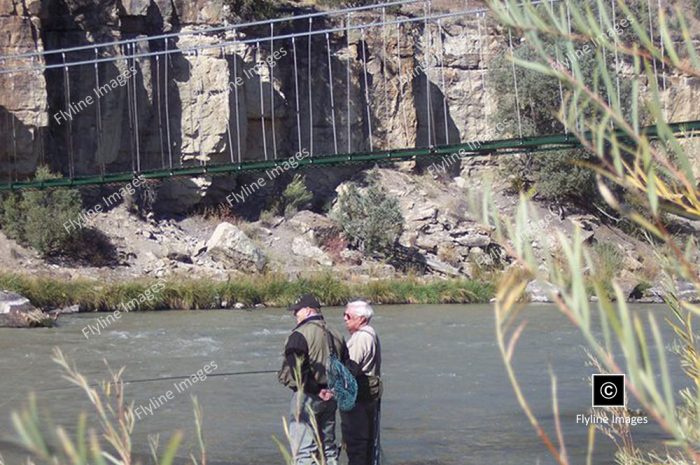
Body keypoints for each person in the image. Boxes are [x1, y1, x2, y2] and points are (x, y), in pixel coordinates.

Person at [278, 293, 348, 465]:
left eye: (297, 311)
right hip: (331, 397)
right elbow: (346, 367)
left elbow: (298, 371)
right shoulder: (336, 333)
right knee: (328, 448)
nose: (294, 315)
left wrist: (317, 390)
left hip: (307, 397)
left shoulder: (299, 335)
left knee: (303, 450)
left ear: (309, 311)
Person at [341, 300, 382, 465]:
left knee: (357, 445)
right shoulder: (370, 333)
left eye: (348, 315)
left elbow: (350, 370)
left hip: (358, 399)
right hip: (367, 397)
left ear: (361, 319)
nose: (344, 318)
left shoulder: (361, 338)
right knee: (365, 444)